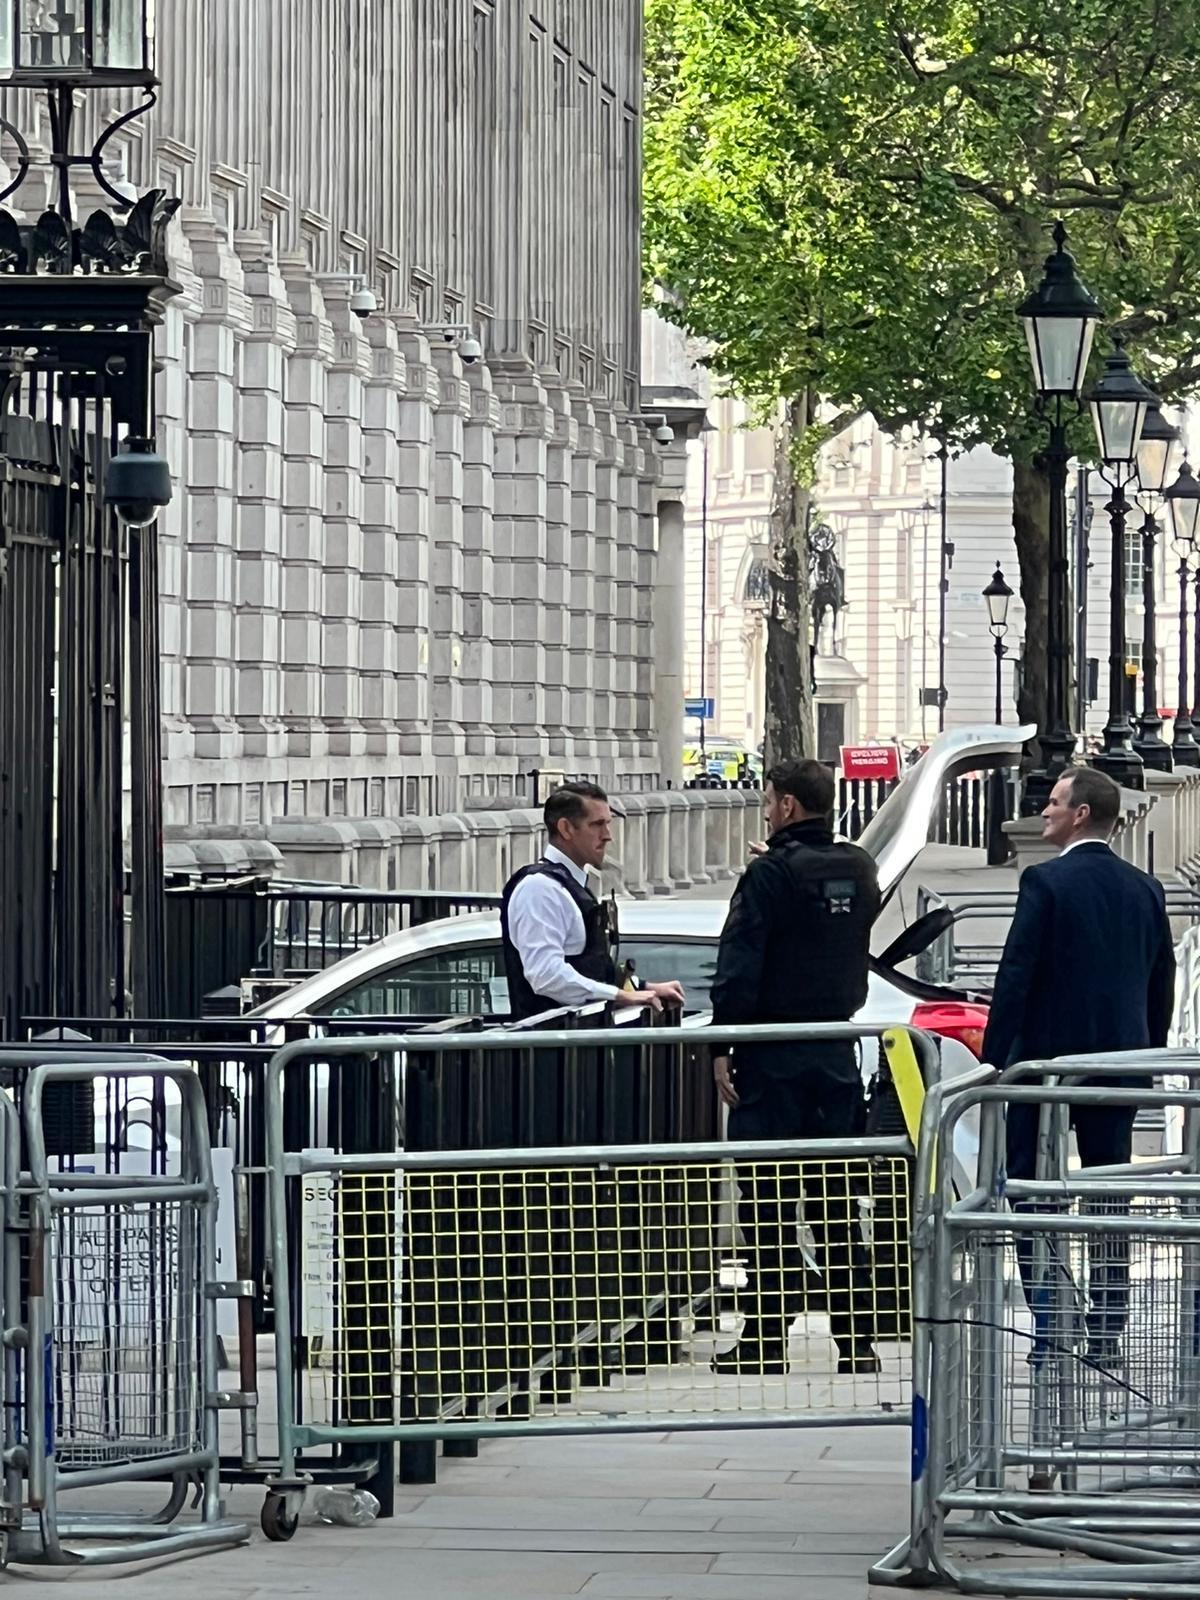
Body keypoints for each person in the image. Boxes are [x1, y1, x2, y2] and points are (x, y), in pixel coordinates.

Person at [982, 766, 1175, 1366]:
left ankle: (1050, 1317)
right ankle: (1107, 1324)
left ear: (1082, 814)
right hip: (1119, 1061)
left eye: (1054, 803)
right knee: (1109, 1193)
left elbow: (1016, 975)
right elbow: (1160, 981)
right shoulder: (1145, 888)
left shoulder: (1045, 882)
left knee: (1033, 1188)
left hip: (1045, 1065)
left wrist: (993, 1062)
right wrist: (1149, 1051)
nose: (1044, 812)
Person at [709, 758, 882, 1375]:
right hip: (835, 1051)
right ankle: (856, 1342)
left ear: (784, 805)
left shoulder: (769, 876)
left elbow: (740, 965)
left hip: (773, 1054)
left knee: (769, 1204)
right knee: (836, 1204)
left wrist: (721, 1047)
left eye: (770, 800)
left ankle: (765, 1344)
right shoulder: (859, 866)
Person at [501, 781, 685, 1021]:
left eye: (608, 824)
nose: (607, 836)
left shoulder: (569, 886)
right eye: (597, 825)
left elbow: (589, 970)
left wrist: (641, 987)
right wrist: (620, 995)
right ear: (566, 828)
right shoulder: (539, 889)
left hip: (580, 1046)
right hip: (550, 1050)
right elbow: (546, 976)